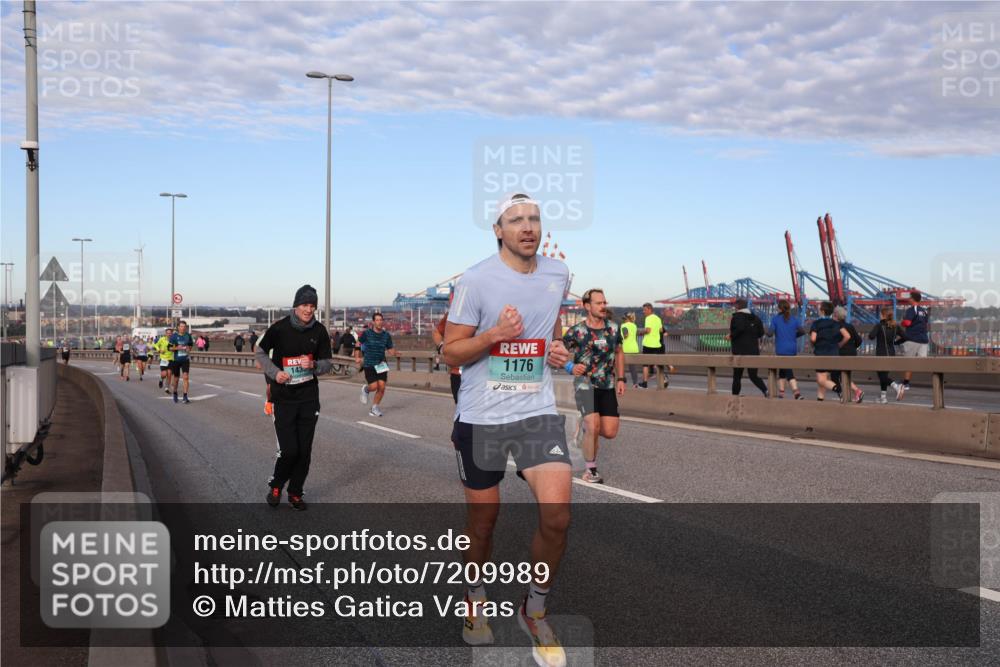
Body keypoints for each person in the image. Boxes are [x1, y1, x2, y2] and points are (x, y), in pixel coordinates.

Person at [443, 192, 572, 664]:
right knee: (484, 521)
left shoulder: (558, 273)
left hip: (534, 410)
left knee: (557, 516)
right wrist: (495, 335)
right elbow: (450, 353)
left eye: (534, 218)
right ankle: (475, 601)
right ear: (498, 230)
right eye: (515, 219)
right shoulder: (476, 280)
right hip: (481, 416)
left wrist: (554, 351)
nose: (527, 226)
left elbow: (546, 333)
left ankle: (534, 611)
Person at [255, 284, 334, 511]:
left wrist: (315, 365)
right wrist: (275, 373)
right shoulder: (279, 329)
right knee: (290, 450)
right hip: (284, 398)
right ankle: (277, 484)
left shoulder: (319, 331)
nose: (309, 310)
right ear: (296, 306)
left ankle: (295, 492)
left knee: (305, 451)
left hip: (308, 398)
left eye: (312, 306)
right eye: (304, 305)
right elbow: (258, 351)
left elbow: (328, 363)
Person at [562, 288, 625, 484]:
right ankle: (590, 470)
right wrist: (570, 366)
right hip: (585, 384)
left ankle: (584, 430)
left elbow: (619, 352)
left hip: (607, 385)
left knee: (609, 431)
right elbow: (555, 352)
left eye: (604, 302)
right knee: (593, 426)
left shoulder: (613, 328)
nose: (603, 306)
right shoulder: (577, 332)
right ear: (587, 306)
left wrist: (621, 378)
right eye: (599, 303)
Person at [356, 312, 401, 417]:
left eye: (381, 320)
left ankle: (374, 408)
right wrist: (357, 357)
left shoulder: (386, 335)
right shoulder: (367, 333)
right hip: (369, 363)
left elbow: (390, 349)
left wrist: (395, 352)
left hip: (381, 364)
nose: (379, 322)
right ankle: (366, 389)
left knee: (382, 387)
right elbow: (358, 343)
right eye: (377, 320)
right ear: (373, 322)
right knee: (374, 386)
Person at [809, 301, 851, 401]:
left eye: (819, 309)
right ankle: (820, 399)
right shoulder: (836, 324)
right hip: (834, 353)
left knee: (821, 379)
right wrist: (839, 345)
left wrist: (813, 345)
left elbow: (813, 339)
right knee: (823, 379)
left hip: (821, 353)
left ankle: (839, 391)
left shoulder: (816, 323)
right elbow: (847, 336)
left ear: (822, 311)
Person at [728, 298, 769, 397]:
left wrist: (731, 335)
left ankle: (735, 396)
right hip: (753, 351)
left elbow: (739, 328)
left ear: (737, 306)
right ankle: (766, 391)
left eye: (735, 305)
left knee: (737, 376)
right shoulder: (755, 318)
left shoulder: (736, 317)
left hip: (739, 351)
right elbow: (761, 333)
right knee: (753, 375)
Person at [768, 299, 804, 399]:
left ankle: (796, 393)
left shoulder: (775, 319)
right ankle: (781, 393)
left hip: (781, 349)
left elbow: (770, 334)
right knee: (783, 371)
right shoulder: (794, 319)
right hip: (792, 348)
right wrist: (793, 336)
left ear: (779, 308)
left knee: (788, 371)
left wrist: (766, 331)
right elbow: (802, 331)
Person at [869, 306, 905, 404]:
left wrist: (876, 328)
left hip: (881, 353)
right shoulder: (895, 326)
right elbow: (905, 337)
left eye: (880, 314)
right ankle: (883, 397)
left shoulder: (879, 325)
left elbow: (871, 336)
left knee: (882, 375)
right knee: (883, 375)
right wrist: (896, 342)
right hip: (891, 353)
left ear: (883, 315)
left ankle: (897, 386)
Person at [898, 291, 930, 400]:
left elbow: (907, 323)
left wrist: (901, 322)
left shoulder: (912, 310)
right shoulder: (924, 311)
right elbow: (926, 324)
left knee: (908, 362)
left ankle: (906, 383)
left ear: (912, 299)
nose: (908, 299)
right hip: (924, 339)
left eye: (909, 297)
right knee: (922, 361)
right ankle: (935, 379)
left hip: (912, 338)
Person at [832, 306, 864, 403]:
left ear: (836, 316)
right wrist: (853, 347)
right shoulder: (850, 326)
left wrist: (839, 345)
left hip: (841, 353)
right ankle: (850, 395)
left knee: (834, 376)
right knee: (845, 374)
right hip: (851, 353)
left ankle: (851, 393)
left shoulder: (835, 327)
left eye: (833, 314)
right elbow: (859, 340)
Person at [639, 302, 671, 388]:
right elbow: (661, 330)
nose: (643, 311)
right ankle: (664, 379)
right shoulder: (658, 318)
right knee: (657, 364)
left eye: (645, 310)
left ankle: (645, 383)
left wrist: (641, 333)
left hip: (648, 344)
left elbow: (648, 330)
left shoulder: (648, 318)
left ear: (650, 309)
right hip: (657, 344)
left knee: (645, 364)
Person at [433, 310, 462, 403]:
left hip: (481, 374)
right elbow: (437, 332)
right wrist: (442, 347)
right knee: (461, 409)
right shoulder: (453, 313)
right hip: (458, 373)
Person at [169, 321, 195, 403]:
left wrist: (188, 349)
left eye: (184, 326)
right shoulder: (173, 336)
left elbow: (190, 346)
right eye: (181, 326)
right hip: (176, 360)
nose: (183, 328)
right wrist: (177, 348)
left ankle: (185, 396)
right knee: (176, 379)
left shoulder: (188, 336)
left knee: (186, 377)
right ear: (178, 327)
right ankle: (175, 393)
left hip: (185, 359)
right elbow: (169, 348)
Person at [620, 312, 642, 387]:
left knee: (621, 366)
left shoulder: (623, 325)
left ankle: (623, 381)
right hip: (634, 348)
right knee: (633, 368)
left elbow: (625, 335)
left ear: (625, 318)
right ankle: (635, 383)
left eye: (623, 319)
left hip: (626, 349)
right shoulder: (634, 325)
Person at [153, 327, 174, 391]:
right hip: (163, 359)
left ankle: (167, 387)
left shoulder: (173, 340)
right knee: (164, 374)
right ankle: (161, 379)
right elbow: (155, 345)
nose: (169, 334)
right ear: (165, 333)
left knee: (169, 374)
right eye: (168, 333)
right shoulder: (162, 339)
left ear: (172, 334)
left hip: (171, 359)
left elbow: (176, 347)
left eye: (170, 333)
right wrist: (159, 350)